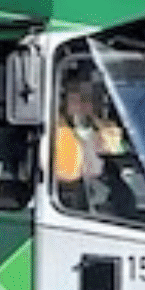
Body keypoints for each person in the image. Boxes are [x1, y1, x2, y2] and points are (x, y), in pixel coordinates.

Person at [54, 76, 130, 214]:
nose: (83, 106)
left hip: (104, 193)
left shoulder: (107, 130)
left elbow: (118, 153)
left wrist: (99, 129)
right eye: (76, 99)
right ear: (64, 102)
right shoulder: (56, 130)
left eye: (88, 100)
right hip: (67, 195)